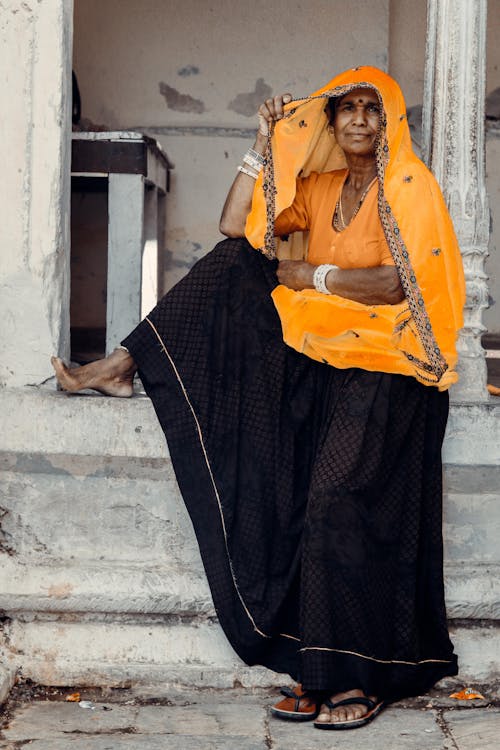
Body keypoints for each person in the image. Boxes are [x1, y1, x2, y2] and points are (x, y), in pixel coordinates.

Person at [52, 66, 465, 731]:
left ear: (390, 122)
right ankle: (123, 361)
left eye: (372, 109)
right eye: (347, 109)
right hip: (323, 350)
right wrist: (263, 138)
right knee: (233, 263)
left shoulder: (410, 187)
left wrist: (314, 273)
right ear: (330, 123)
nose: (360, 119)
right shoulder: (323, 185)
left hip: (390, 365)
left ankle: (347, 674)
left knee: (330, 499)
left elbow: (397, 284)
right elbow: (231, 224)